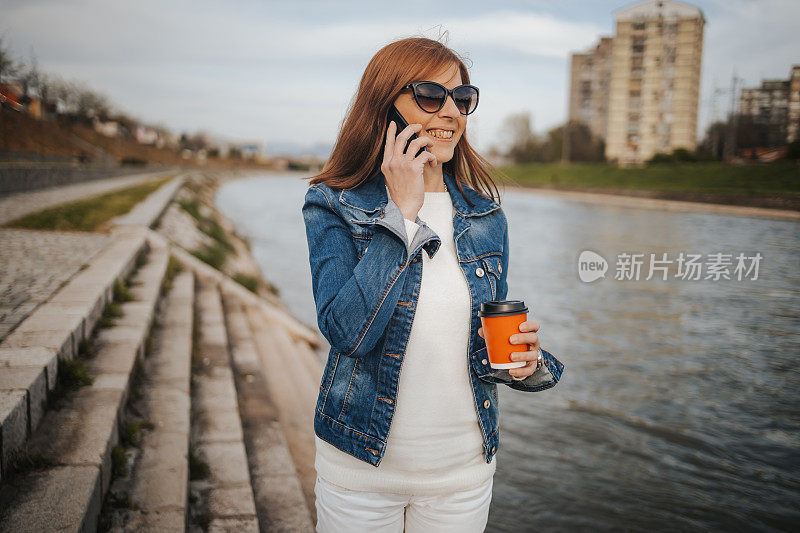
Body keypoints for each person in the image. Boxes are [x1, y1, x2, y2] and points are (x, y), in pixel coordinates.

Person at [301, 36, 564, 532]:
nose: (450, 112)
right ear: (385, 104)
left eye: (462, 100)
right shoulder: (333, 204)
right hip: (361, 471)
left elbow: (486, 346)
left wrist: (526, 364)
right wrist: (402, 214)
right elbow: (348, 333)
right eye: (430, 96)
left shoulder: (486, 214)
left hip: (461, 476)